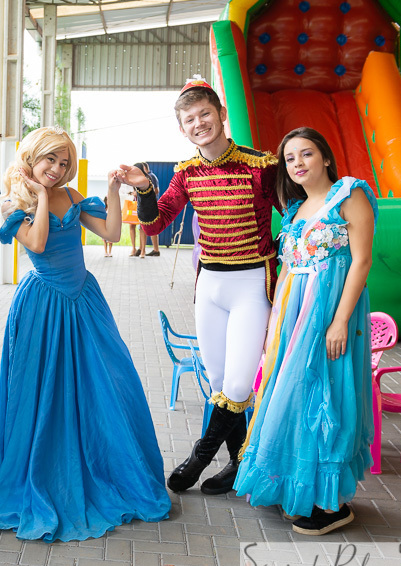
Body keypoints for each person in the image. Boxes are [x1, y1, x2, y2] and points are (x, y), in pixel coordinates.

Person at [0, 127, 171, 542]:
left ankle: (102, 464)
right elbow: (37, 244)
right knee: (39, 391)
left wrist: (113, 189)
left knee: (107, 380)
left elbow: (111, 233)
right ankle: (42, 472)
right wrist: (40, 196)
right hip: (42, 303)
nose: (57, 170)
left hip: (83, 300)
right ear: (31, 158)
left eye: (63, 163)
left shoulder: (73, 196)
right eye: (49, 161)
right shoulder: (9, 202)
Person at [116, 77, 283, 495]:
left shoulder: (262, 166)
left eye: (205, 113)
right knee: (219, 379)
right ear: (182, 129)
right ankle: (238, 464)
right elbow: (156, 222)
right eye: (189, 119)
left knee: (240, 385)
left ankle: (199, 457)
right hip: (209, 286)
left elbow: (296, 211)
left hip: (251, 284)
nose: (199, 123)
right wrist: (142, 187)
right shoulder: (186, 173)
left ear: (221, 115)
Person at [234, 127, 376, 535]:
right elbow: (288, 272)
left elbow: (361, 263)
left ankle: (332, 504)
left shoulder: (351, 195)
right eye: (290, 157)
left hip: (328, 312)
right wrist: (273, 326)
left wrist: (340, 321)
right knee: (292, 396)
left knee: (325, 397)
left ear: (326, 158)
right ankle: (302, 490)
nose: (298, 163)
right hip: (293, 315)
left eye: (306, 154)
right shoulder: (294, 209)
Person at [135, 162, 161, 257]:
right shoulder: (144, 178)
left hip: (150, 206)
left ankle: (153, 249)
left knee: (149, 227)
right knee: (142, 227)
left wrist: (146, 193)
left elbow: (156, 190)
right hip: (144, 206)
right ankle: (142, 249)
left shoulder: (150, 177)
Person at [121, 189, 140, 256]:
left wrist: (138, 193)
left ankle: (142, 249)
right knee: (131, 225)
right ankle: (134, 248)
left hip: (142, 204)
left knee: (142, 228)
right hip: (134, 204)